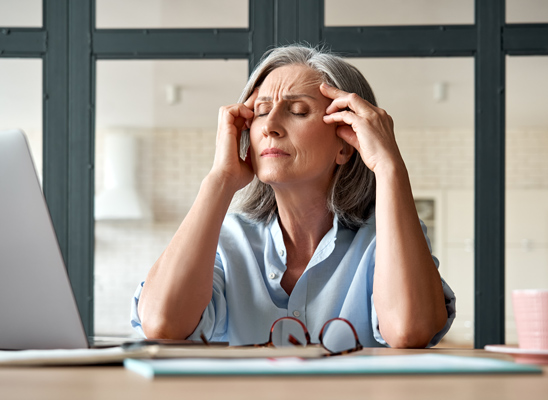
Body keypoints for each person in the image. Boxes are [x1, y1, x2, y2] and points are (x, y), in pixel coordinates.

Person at [131, 44, 456, 349]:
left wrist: (389, 167)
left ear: (347, 142)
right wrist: (220, 180)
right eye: (260, 111)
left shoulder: (384, 239)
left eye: (298, 111)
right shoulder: (225, 241)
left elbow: (411, 330)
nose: (269, 125)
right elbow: (162, 325)